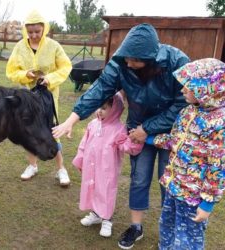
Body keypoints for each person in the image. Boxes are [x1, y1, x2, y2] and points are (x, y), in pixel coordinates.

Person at [52, 23, 190, 249]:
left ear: (150, 57)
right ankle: (136, 227)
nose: (128, 63)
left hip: (171, 132)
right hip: (137, 131)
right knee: (139, 178)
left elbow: (182, 104)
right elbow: (101, 88)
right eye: (126, 58)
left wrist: (149, 127)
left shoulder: (176, 61)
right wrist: (72, 118)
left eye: (134, 60)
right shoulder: (121, 61)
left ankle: (170, 230)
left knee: (169, 182)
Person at [144, 58, 225, 249]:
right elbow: (175, 140)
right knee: (167, 229)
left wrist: (207, 204)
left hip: (193, 196)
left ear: (206, 89)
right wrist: (148, 139)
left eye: (188, 87)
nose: (182, 90)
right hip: (174, 186)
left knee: (187, 240)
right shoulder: (188, 111)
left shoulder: (219, 123)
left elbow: (218, 167)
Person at [6, 10, 72, 186]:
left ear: (44, 29)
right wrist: (25, 74)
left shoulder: (54, 46)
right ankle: (32, 165)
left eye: (37, 31)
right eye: (31, 32)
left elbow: (66, 67)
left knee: (52, 130)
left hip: (48, 97)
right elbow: (11, 71)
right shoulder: (19, 47)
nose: (34, 35)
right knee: (29, 131)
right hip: (28, 97)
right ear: (25, 30)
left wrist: (50, 79)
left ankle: (60, 169)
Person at [73, 93, 143, 237]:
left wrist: (135, 142)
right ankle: (95, 214)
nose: (99, 110)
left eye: (104, 108)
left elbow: (125, 145)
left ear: (115, 109)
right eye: (98, 107)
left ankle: (107, 219)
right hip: (91, 166)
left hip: (107, 169)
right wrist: (80, 158)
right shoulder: (92, 124)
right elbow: (84, 143)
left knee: (105, 191)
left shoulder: (118, 128)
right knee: (92, 188)